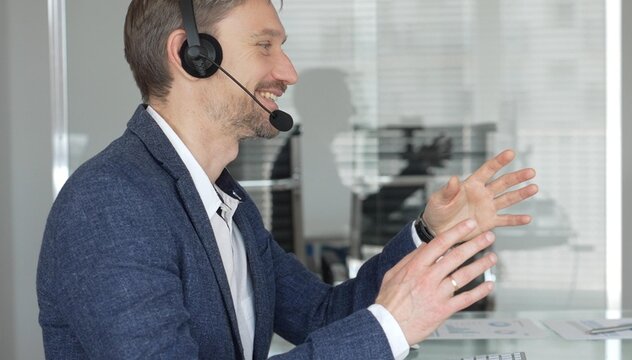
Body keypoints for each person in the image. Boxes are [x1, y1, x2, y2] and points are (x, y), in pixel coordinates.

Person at [36, 0, 539, 359]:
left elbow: (321, 314)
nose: (289, 72)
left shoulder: (224, 200)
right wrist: (387, 329)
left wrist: (429, 233)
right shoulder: (111, 203)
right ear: (192, 55)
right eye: (264, 45)